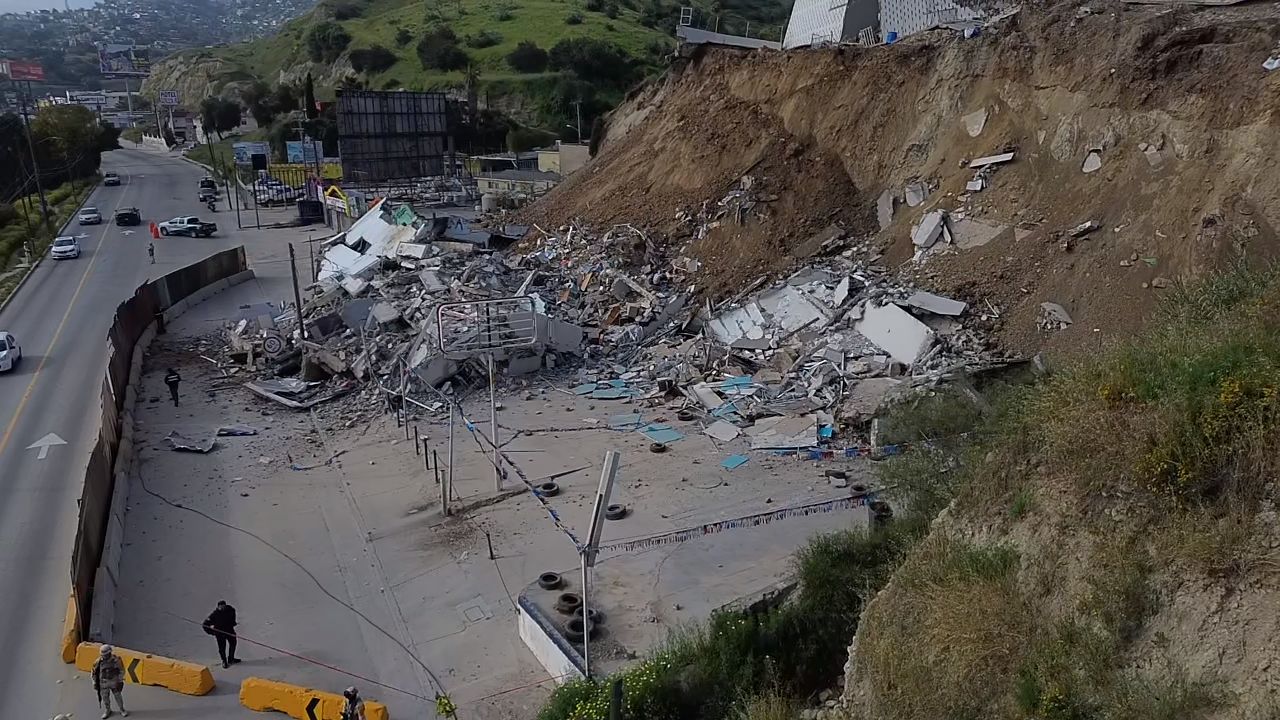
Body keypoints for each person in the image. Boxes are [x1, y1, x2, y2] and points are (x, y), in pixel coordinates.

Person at [92, 645, 128, 719]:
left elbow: (121, 670)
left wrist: (120, 680)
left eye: (105, 654)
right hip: (103, 682)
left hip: (114, 681)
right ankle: (108, 710)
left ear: (109, 653)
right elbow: (94, 672)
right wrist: (94, 682)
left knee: (118, 697)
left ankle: (122, 709)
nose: (104, 656)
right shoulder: (98, 662)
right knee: (105, 698)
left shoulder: (116, 660)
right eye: (102, 655)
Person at [202, 600, 241, 668]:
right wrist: (212, 632)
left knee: (233, 643)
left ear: (225, 606)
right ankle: (224, 661)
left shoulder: (231, 610)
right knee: (222, 648)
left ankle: (231, 658)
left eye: (223, 606)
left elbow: (233, 619)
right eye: (220, 607)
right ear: (218, 607)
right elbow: (205, 625)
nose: (222, 608)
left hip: (229, 631)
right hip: (220, 633)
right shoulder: (215, 614)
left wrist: (233, 623)